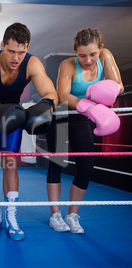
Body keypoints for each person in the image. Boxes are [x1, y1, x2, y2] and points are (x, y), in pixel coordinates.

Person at [0, 22, 58, 240]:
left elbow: (50, 91)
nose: (16, 58)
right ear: (2, 45)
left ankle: (12, 217)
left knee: (10, 164)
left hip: (14, 115)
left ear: (27, 49)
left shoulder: (32, 64)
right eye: (11, 51)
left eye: (21, 52)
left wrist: (45, 105)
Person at [45, 28, 123, 234]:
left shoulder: (105, 57)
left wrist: (99, 97)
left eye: (92, 54)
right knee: (57, 163)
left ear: (101, 49)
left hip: (81, 117)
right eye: (81, 55)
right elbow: (63, 95)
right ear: (74, 52)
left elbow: (119, 87)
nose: (88, 60)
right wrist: (89, 105)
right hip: (62, 114)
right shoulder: (68, 65)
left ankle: (72, 215)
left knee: (86, 166)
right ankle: (55, 215)